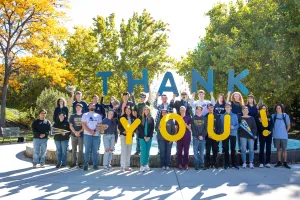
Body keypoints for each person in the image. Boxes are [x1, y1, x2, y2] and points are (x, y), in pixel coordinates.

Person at [81, 103, 102, 171]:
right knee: (87, 150)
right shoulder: (85, 115)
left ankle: (95, 164)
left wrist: (94, 131)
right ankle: (85, 165)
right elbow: (83, 125)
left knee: (95, 150)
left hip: (96, 135)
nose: (92, 106)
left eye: (93, 106)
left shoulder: (98, 116)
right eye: (91, 105)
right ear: (88, 107)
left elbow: (99, 125)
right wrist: (90, 131)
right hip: (87, 135)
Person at [118, 106, 137, 172]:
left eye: (129, 110)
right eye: (126, 110)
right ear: (125, 110)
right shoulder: (122, 117)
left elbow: (136, 127)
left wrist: (132, 131)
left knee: (129, 151)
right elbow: (119, 127)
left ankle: (127, 166)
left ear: (131, 111)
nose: (128, 111)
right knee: (124, 151)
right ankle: (122, 166)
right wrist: (123, 131)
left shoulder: (134, 118)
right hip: (123, 135)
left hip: (130, 136)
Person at [272, 104, 291, 169]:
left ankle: (285, 162)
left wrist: (285, 132)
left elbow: (288, 125)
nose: (278, 109)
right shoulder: (273, 116)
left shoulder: (285, 115)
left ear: (282, 108)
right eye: (277, 108)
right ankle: (279, 162)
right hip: (276, 135)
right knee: (278, 149)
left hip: (284, 136)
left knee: (284, 150)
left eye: (279, 108)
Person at [221, 103, 239, 170]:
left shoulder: (234, 116)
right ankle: (226, 164)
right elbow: (221, 126)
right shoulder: (222, 116)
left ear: (231, 108)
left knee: (233, 149)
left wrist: (233, 127)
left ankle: (234, 164)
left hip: (233, 134)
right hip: (225, 134)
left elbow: (238, 125)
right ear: (225, 108)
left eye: (229, 107)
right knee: (226, 149)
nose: (227, 108)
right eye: (226, 107)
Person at [138, 106, 155, 172]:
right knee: (143, 151)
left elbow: (152, 129)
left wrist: (149, 137)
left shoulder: (151, 119)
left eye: (147, 109)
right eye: (145, 109)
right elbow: (139, 129)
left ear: (149, 111)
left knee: (147, 151)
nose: (146, 111)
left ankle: (146, 164)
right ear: (143, 110)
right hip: (142, 137)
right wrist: (144, 137)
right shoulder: (140, 118)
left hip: (149, 138)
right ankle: (142, 165)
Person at [191, 105, 207, 170]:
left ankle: (202, 164)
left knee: (202, 152)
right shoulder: (193, 118)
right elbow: (193, 129)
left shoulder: (204, 118)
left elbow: (206, 128)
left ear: (201, 110)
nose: (198, 110)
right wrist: (198, 136)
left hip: (202, 138)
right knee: (195, 152)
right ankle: (196, 165)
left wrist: (202, 136)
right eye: (197, 109)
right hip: (195, 137)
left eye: (200, 109)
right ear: (196, 110)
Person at [69, 103, 84, 168]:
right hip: (73, 135)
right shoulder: (72, 116)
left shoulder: (84, 116)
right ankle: (73, 162)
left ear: (81, 108)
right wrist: (75, 132)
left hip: (81, 135)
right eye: (77, 107)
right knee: (74, 149)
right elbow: (70, 126)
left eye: (79, 107)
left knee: (80, 150)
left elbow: (84, 126)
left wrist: (79, 131)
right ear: (75, 108)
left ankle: (80, 163)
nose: (78, 108)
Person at [205, 103, 220, 169]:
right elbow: (204, 127)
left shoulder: (216, 116)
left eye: (211, 107)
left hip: (215, 137)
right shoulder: (205, 116)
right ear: (207, 109)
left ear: (213, 108)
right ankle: (208, 163)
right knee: (208, 151)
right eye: (209, 108)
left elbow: (219, 126)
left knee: (215, 150)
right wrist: (207, 134)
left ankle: (214, 163)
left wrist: (218, 136)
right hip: (208, 137)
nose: (210, 109)